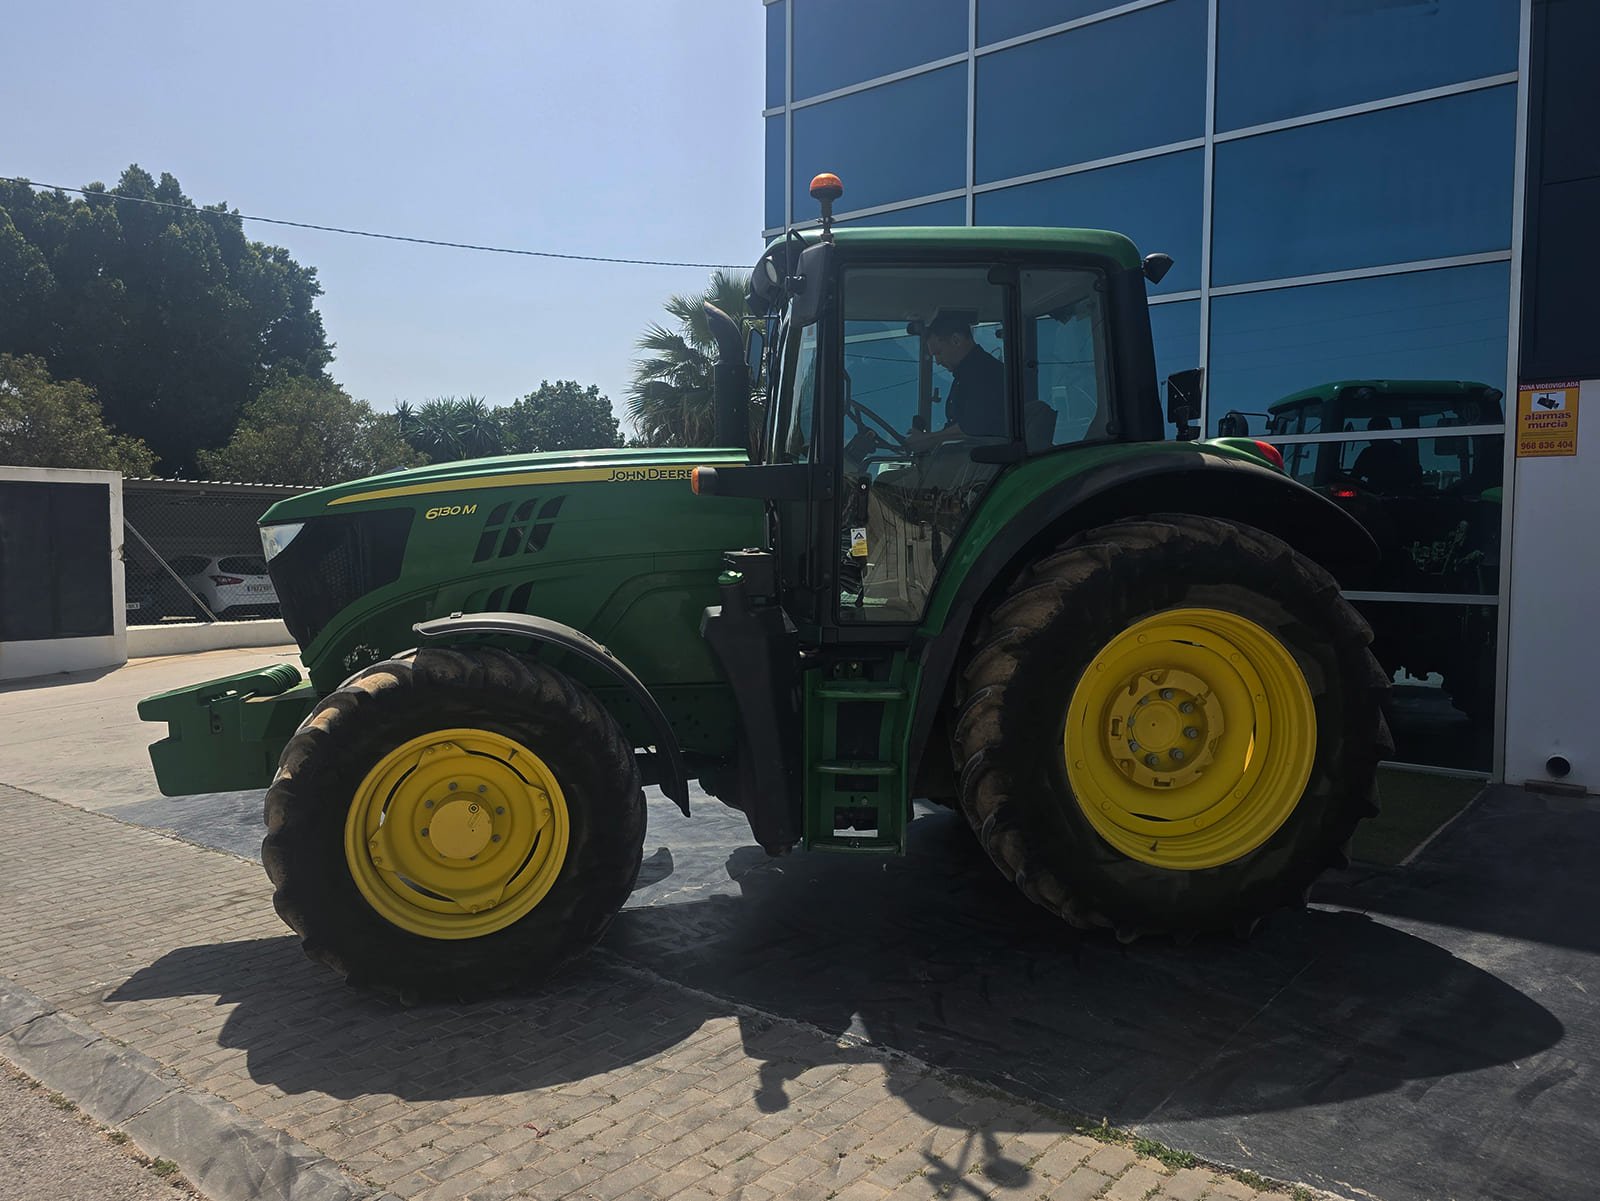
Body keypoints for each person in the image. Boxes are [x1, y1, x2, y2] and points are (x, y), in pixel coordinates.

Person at [906, 310, 1008, 449]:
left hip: (981, 461)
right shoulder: (966, 376)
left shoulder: (986, 373)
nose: (937, 361)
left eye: (938, 353)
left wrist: (928, 439)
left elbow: (973, 427)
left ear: (956, 340)